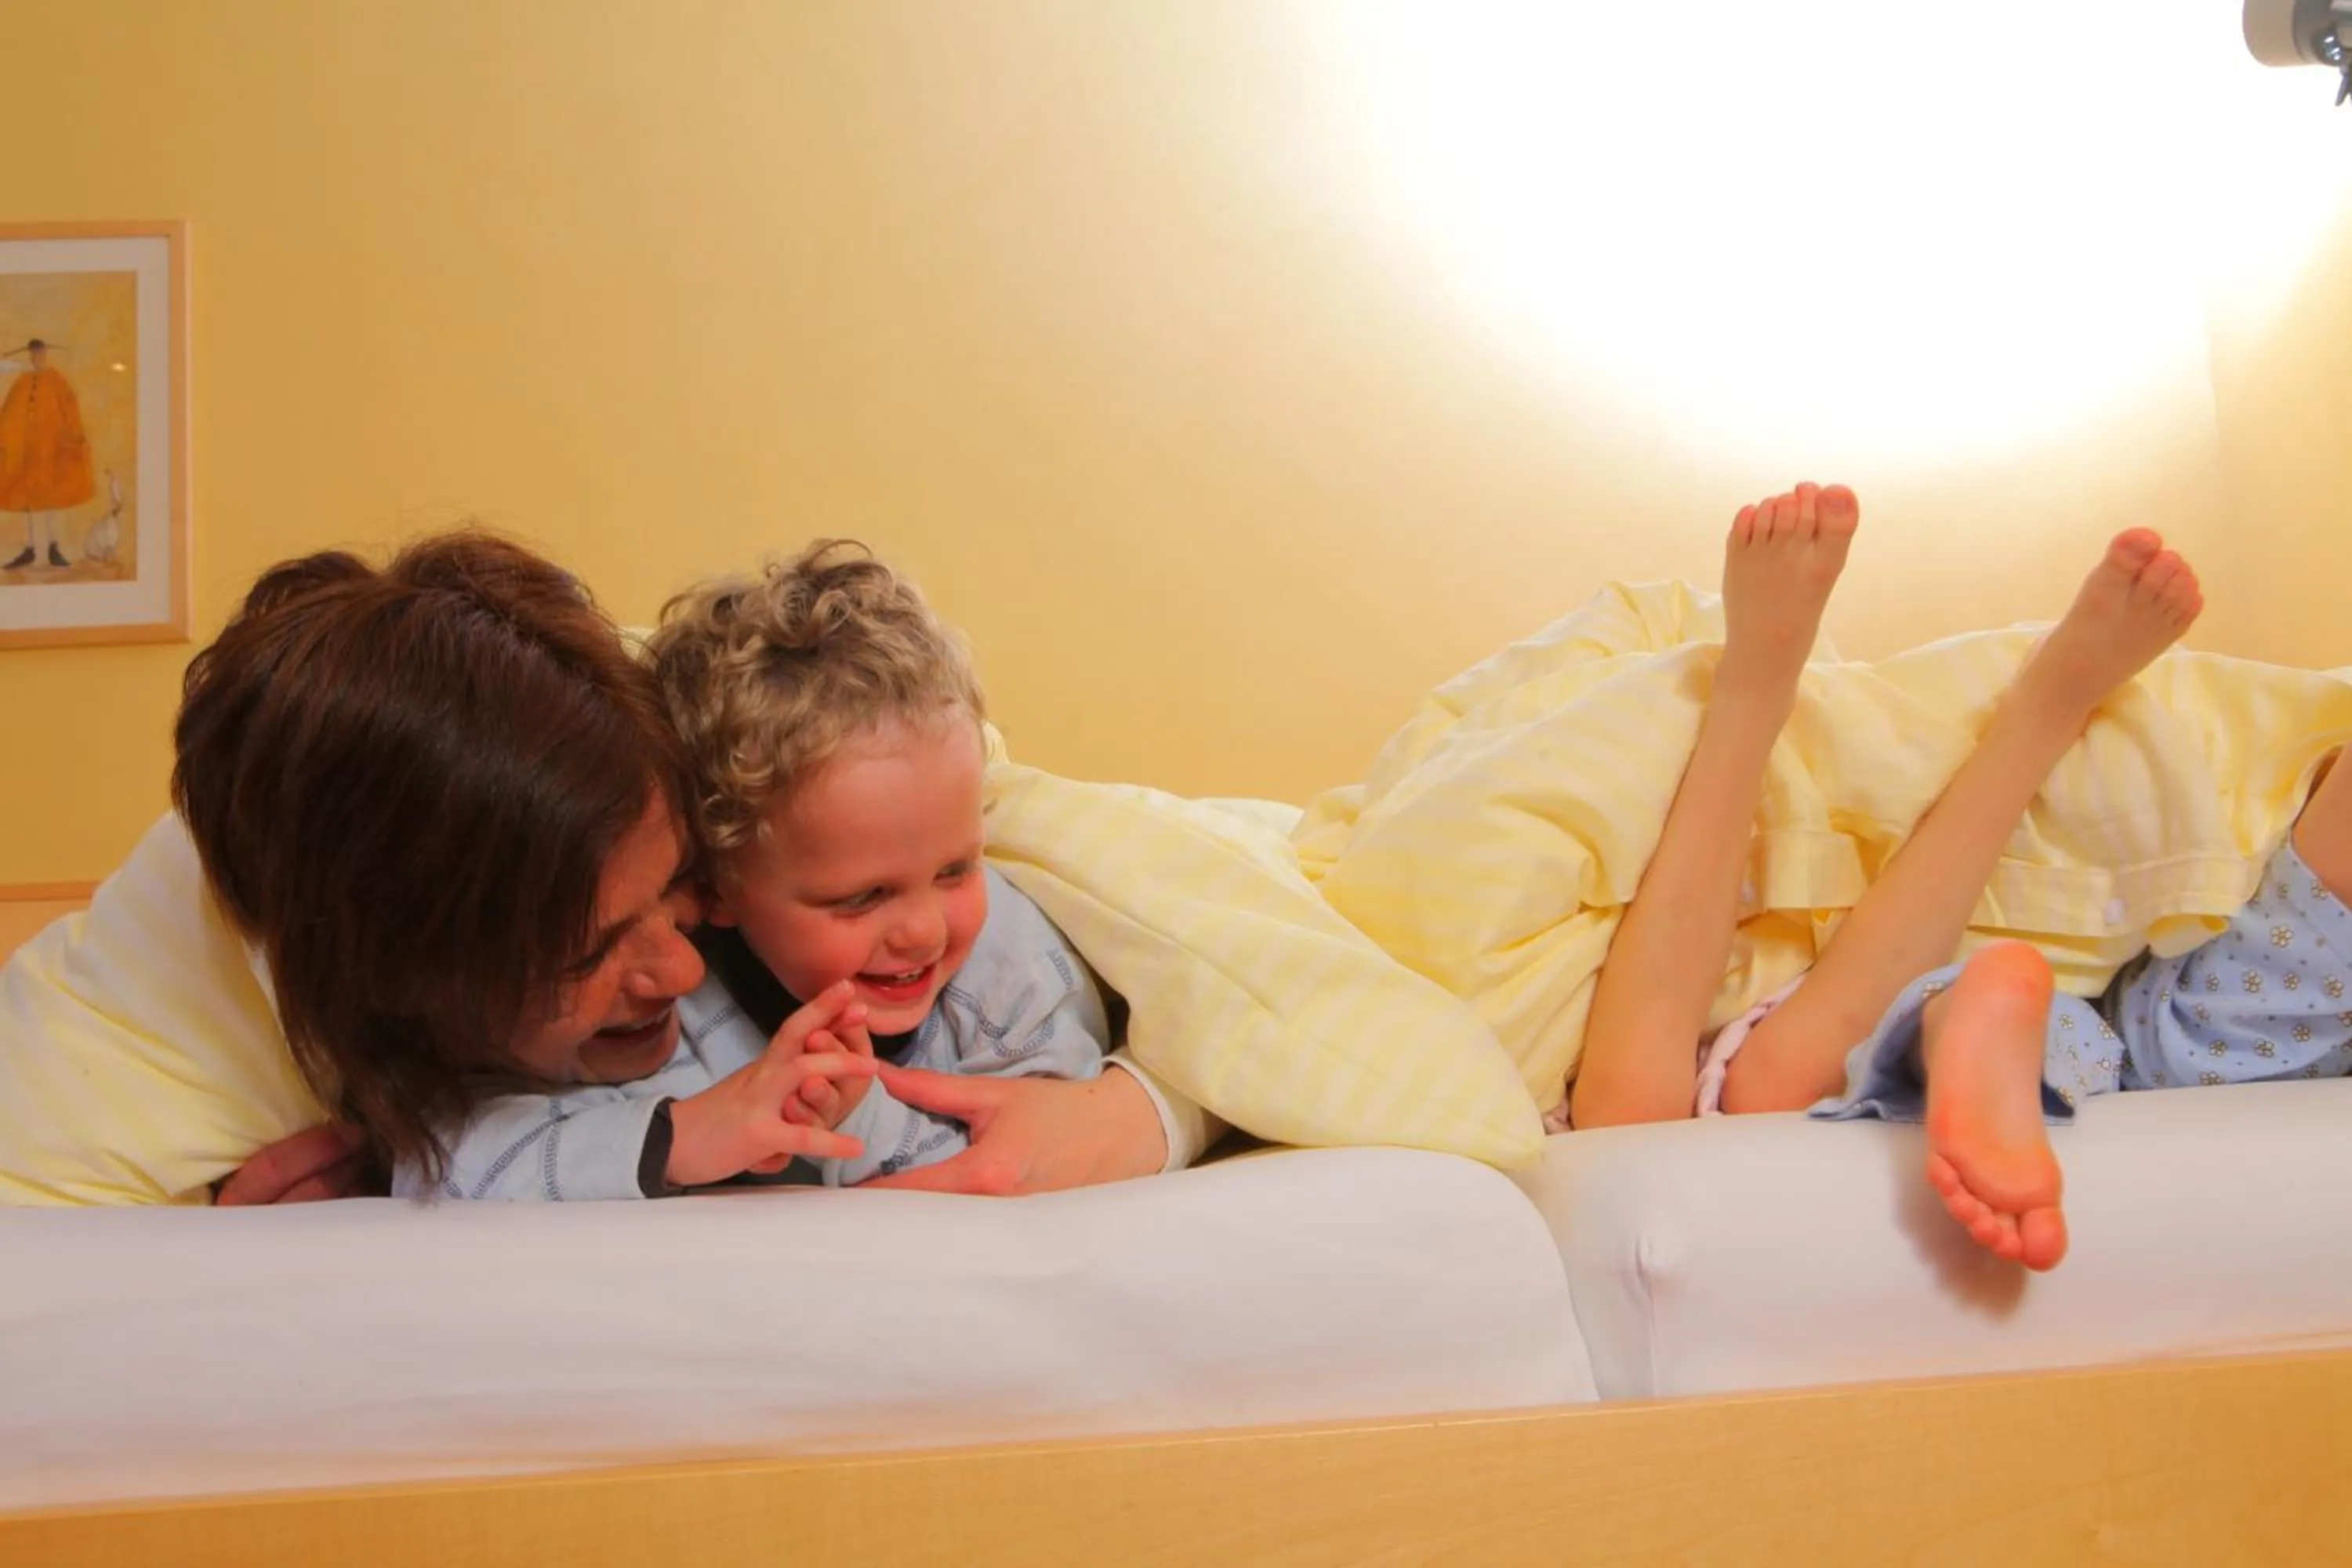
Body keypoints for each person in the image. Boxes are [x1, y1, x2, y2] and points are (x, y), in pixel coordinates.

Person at [183, 529, 1183, 1204]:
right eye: (590, 951)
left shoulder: (1006, 964)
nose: (682, 965)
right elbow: (458, 1154)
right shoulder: (603, 1029)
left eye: (673, 888)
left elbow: (1050, 1137)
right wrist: (684, 1136)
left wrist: (1150, 1109)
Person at [1568, 481, 2218, 1271]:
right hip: (1795, 1085)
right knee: (1767, 1089)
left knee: (1635, 1116)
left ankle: (1756, 687)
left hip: (1699, 1114)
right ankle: (2046, 713)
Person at [403, 540, 1116, 1198]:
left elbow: (1043, 1169)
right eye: (862, 897)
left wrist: (859, 1118)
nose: (926, 930)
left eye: (957, 869)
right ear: (714, 885)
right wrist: (680, 1138)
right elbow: (441, 1162)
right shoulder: (662, 1000)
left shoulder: (1010, 971)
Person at [0, 339, 95, 570]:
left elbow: (70, 408)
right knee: (27, 498)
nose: (36, 357)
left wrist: (74, 437)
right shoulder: (23, 380)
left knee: (51, 497)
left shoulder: (56, 380)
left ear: (45, 353)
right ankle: (30, 549)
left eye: (39, 353)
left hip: (51, 450)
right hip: (27, 452)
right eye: (33, 354)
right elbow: (9, 411)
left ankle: (54, 548)